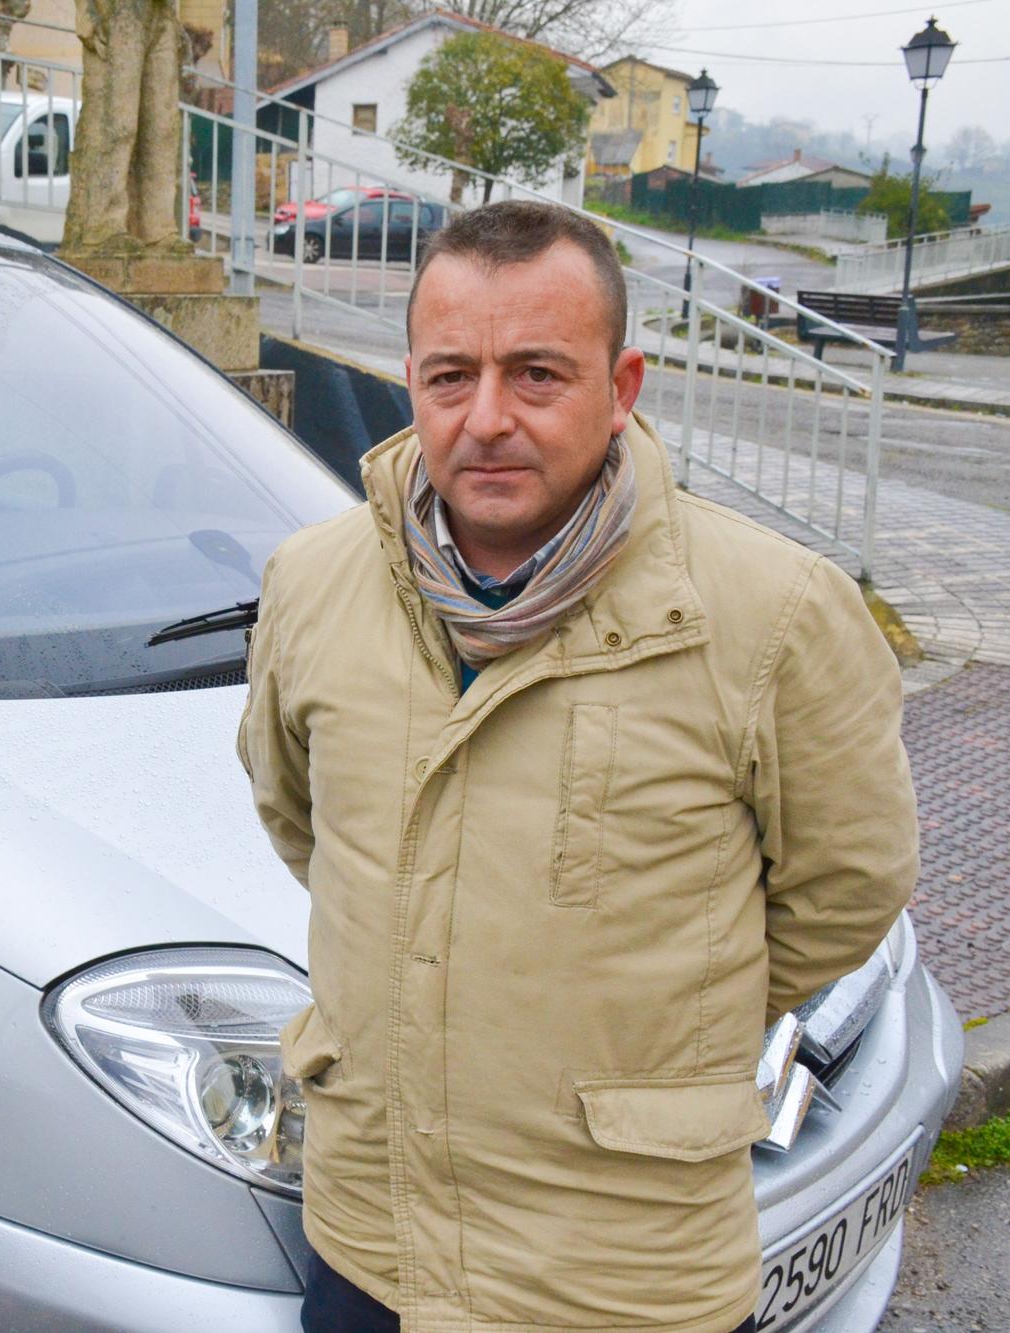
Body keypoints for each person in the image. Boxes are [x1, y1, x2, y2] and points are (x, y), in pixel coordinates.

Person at [236, 200, 916, 1332]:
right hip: (372, 1245)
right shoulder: (311, 581)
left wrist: (643, 1015)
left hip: (621, 1276)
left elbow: (842, 891)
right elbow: (302, 818)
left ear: (622, 386)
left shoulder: (774, 614)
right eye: (450, 376)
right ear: (408, 377)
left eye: (537, 374)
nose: (486, 418)